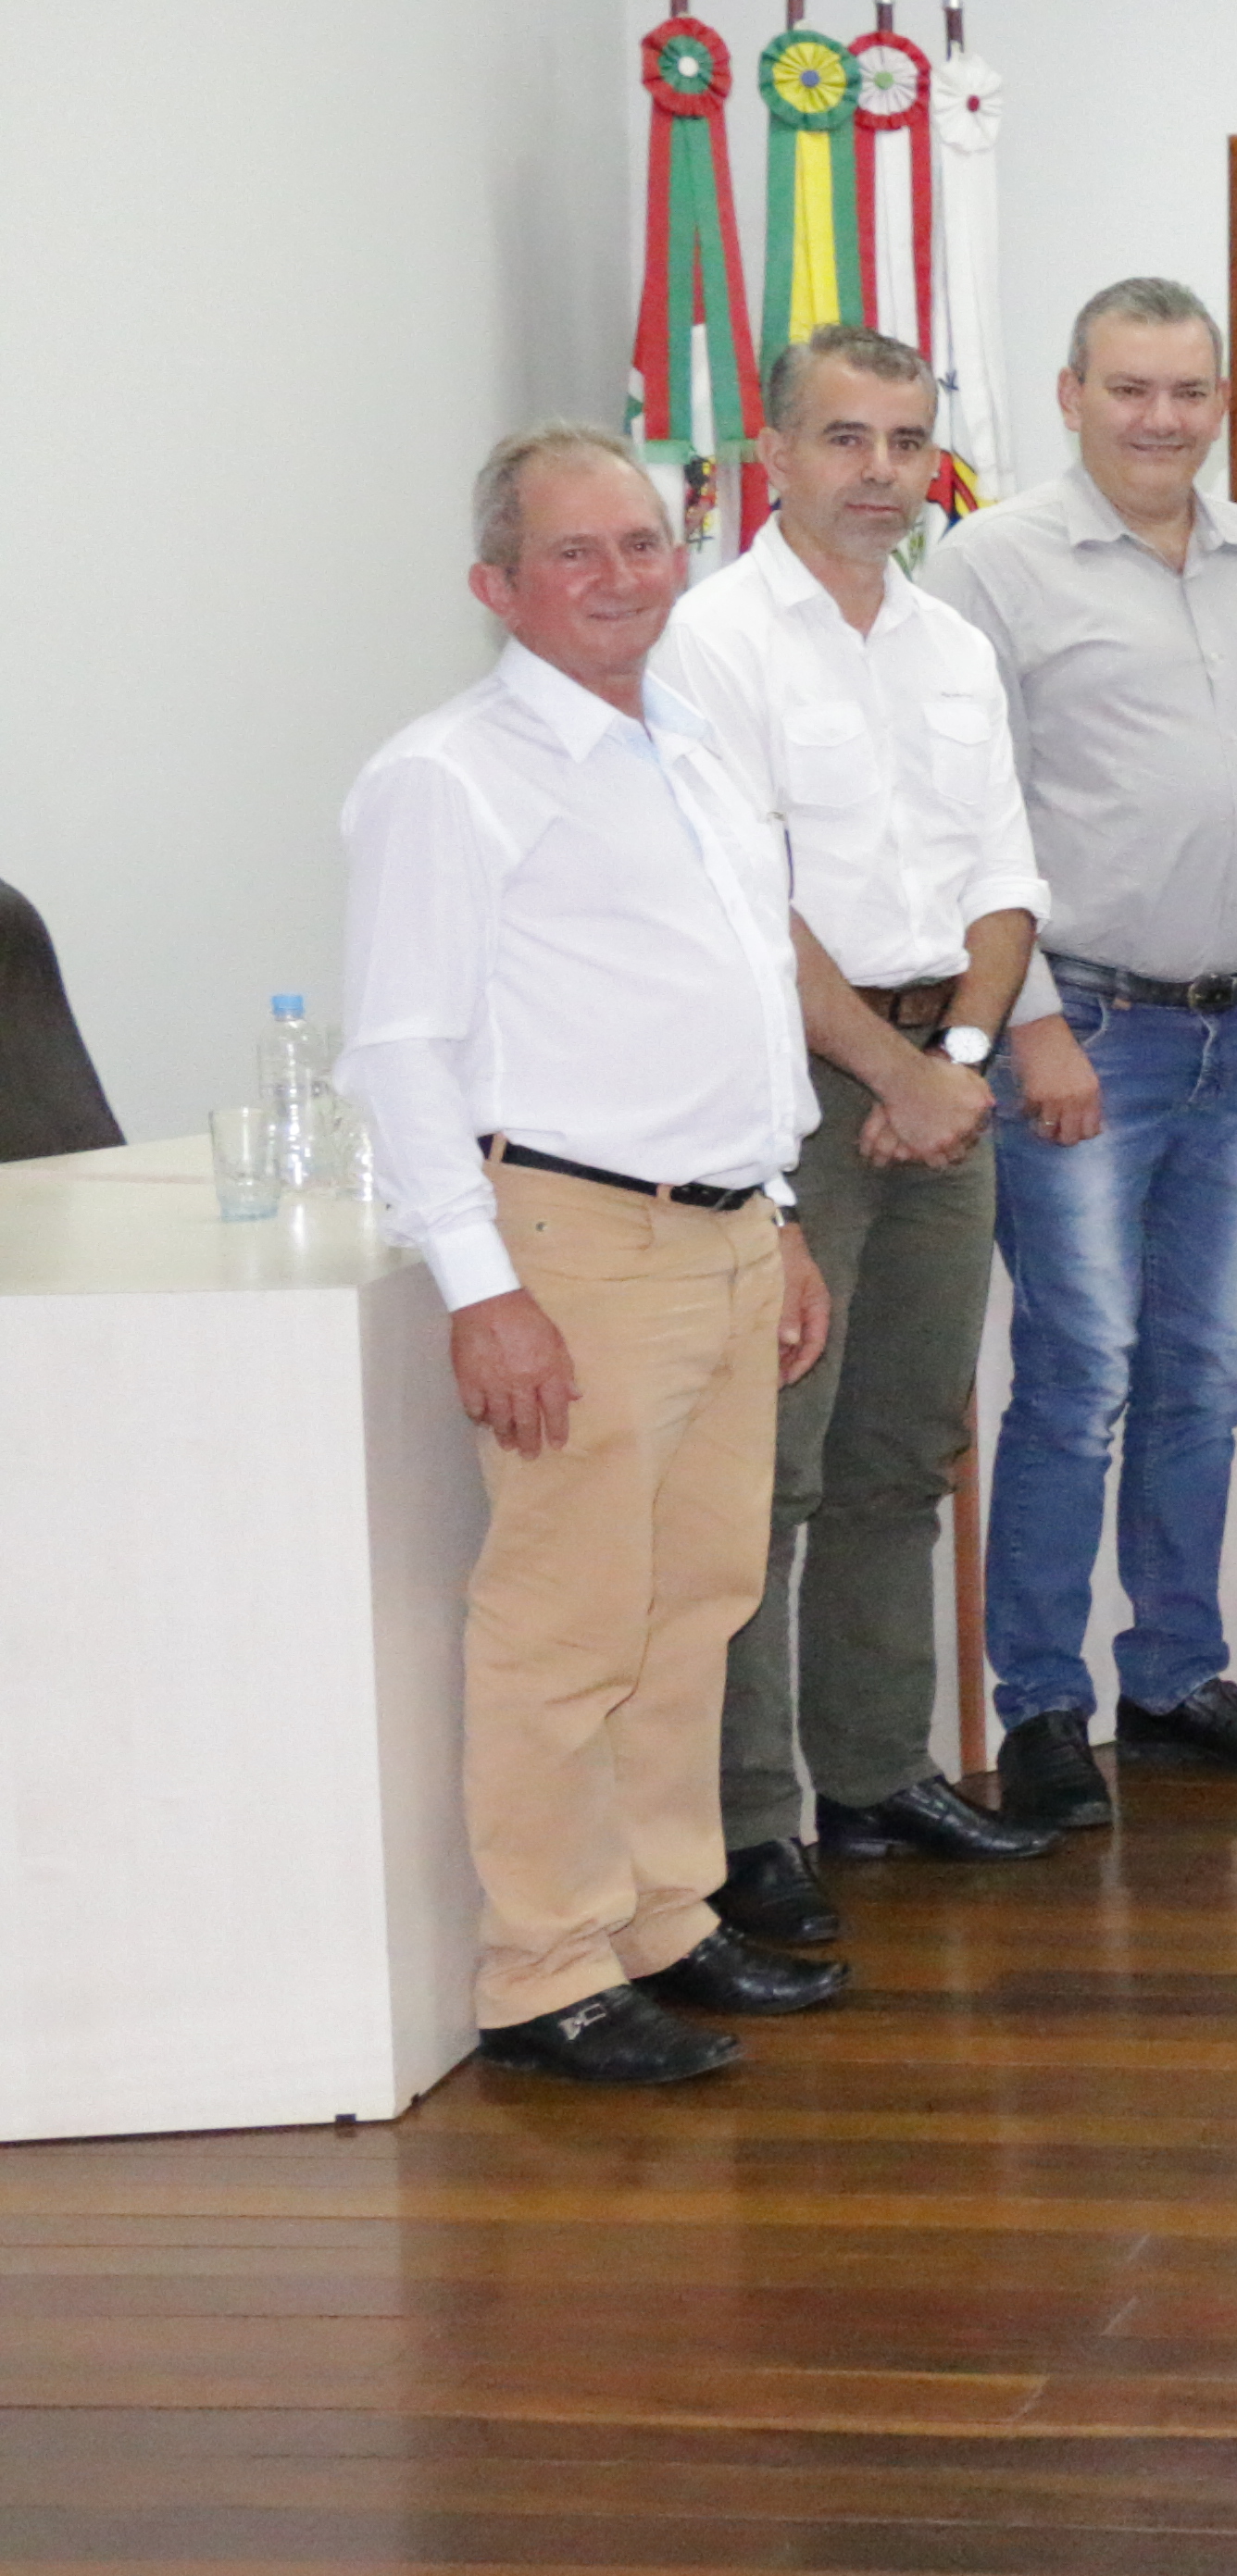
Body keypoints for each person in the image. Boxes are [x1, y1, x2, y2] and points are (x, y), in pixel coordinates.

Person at [338, 426, 843, 2083]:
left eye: (640, 544)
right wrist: (486, 1290)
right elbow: (402, 1049)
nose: (620, 578)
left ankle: (661, 1918)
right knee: (566, 1623)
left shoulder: (687, 745)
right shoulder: (448, 775)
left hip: (717, 1232)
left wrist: (773, 1217)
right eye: (575, 553)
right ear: (497, 585)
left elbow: (741, 1007)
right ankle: (544, 1966)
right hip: (571, 1243)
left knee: (694, 1599)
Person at [657, 326, 1061, 1953]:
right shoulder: (710, 642)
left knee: (904, 1450)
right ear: (776, 452)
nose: (882, 472)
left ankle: (878, 1777)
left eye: (907, 441)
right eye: (847, 439)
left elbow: (1005, 878)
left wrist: (955, 1054)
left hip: (940, 1073)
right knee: (770, 1468)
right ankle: (751, 1825)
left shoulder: (948, 642)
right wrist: (890, 1077)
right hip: (787, 1093)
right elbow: (746, 897)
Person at [935, 277, 1237, 1826]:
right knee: (1078, 1377)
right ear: (1069, 394)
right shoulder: (993, 566)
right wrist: (1026, 1024)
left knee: (1206, 1374)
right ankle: (1043, 1703)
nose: (1162, 420)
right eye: (1131, 390)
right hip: (1082, 1036)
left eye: (1189, 392)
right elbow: (971, 819)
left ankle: (1176, 1677)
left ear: (1221, 401)